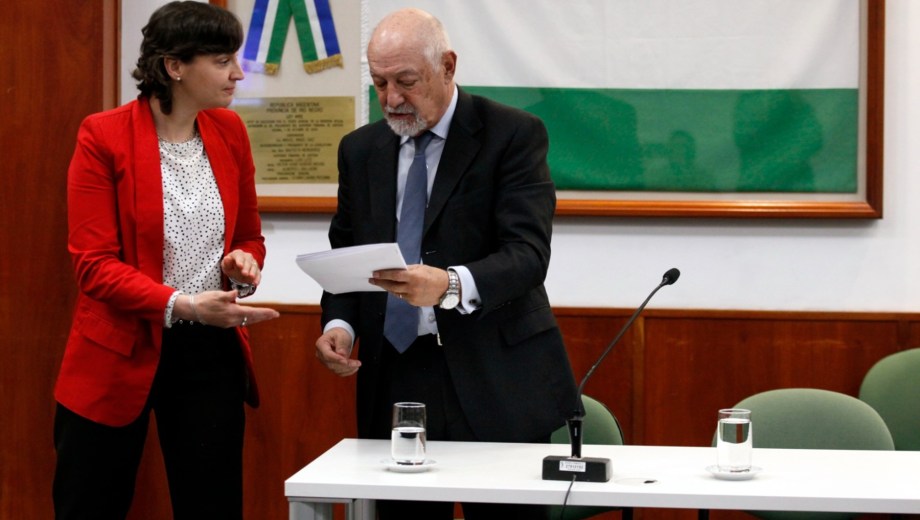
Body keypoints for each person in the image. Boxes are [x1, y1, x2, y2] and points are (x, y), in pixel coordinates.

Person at [314, 8, 577, 519]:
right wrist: (339, 326)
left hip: (495, 375)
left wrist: (450, 285)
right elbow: (346, 255)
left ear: (448, 66)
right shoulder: (360, 150)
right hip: (395, 375)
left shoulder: (512, 135)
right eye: (380, 83)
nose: (392, 99)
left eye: (406, 81)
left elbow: (528, 254)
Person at [52, 2, 280, 519]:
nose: (237, 73)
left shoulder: (230, 131)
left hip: (210, 350)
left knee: (212, 505)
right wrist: (185, 304)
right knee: (90, 504)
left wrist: (244, 265)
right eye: (222, 61)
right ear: (175, 66)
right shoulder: (103, 135)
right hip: (118, 347)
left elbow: (248, 236)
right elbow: (93, 266)